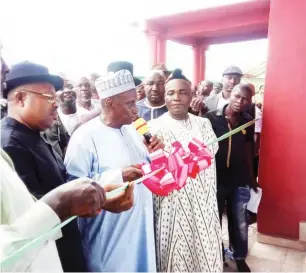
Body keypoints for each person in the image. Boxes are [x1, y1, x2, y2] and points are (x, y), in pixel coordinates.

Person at [0, 61, 134, 272]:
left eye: (56, 97)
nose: (56, 103)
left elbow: (60, 190)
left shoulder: (33, 136)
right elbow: (34, 215)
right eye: (49, 97)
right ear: (20, 98)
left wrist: (101, 197)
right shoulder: (9, 144)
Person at [64, 69, 164, 272]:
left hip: (140, 224)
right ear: (109, 102)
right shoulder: (85, 136)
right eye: (129, 104)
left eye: (135, 103)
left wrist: (156, 153)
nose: (135, 110)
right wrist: (119, 176)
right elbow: (73, 187)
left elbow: (149, 170)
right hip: (109, 230)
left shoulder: (134, 131)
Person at [148, 69, 222, 272]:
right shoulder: (153, 127)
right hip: (171, 206)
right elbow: (157, 168)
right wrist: (164, 153)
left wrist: (171, 151)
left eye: (182, 92)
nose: (176, 98)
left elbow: (208, 155)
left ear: (191, 96)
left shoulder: (203, 124)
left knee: (203, 254)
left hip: (202, 205)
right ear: (165, 97)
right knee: (174, 254)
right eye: (170, 93)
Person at [205, 84, 258, 272]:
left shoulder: (248, 121)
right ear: (229, 95)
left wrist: (252, 178)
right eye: (237, 96)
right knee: (213, 219)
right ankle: (216, 253)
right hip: (215, 180)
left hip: (239, 179)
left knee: (240, 221)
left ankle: (239, 256)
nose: (240, 101)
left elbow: (250, 149)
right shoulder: (210, 118)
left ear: (250, 101)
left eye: (245, 99)